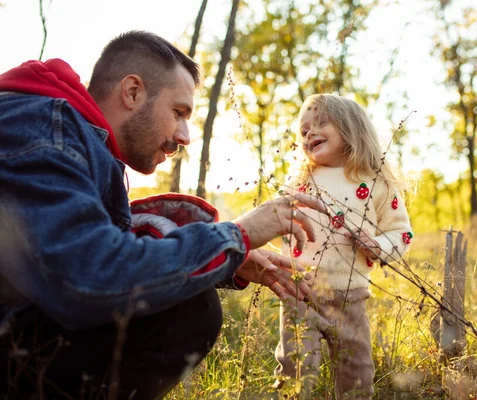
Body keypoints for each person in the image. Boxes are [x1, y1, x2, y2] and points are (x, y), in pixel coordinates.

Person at [0, 31, 326, 399]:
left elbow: (87, 245)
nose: (184, 135)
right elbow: (90, 278)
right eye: (179, 112)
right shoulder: (47, 129)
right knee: (188, 308)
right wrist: (239, 233)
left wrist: (228, 257)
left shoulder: (76, 136)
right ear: (133, 92)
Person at [274, 94, 413, 399]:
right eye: (304, 130)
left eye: (321, 123)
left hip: (349, 295)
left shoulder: (374, 182)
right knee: (295, 364)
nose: (309, 133)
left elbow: (401, 232)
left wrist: (376, 245)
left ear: (351, 129)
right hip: (301, 290)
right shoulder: (299, 180)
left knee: (356, 369)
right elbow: (275, 220)